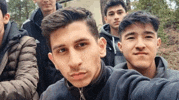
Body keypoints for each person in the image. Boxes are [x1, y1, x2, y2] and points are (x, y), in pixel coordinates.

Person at [39, 7, 179, 100]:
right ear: (53, 60)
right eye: (62, 50)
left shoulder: (125, 86)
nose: (74, 62)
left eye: (82, 45)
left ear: (101, 47)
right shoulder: (50, 96)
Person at [21, 0, 63, 96]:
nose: (45, 0)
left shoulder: (70, 22)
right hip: (41, 91)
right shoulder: (27, 27)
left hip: (70, 88)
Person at [115, 11, 179, 79]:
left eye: (148, 37)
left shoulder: (176, 83)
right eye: (131, 38)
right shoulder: (110, 85)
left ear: (158, 43)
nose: (140, 45)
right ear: (120, 47)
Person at [100, 0, 128, 66]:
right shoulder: (100, 41)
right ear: (106, 19)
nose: (116, 17)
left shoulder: (136, 37)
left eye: (120, 13)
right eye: (111, 14)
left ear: (127, 15)